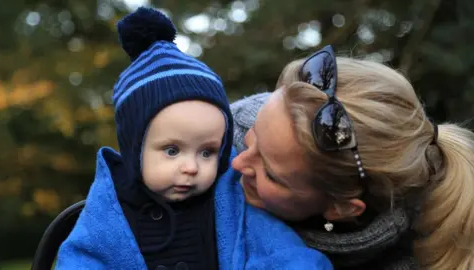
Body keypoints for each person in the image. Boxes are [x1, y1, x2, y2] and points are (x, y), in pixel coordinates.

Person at [55, 7, 333, 270]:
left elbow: (279, 251)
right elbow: (83, 259)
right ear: (134, 148)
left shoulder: (232, 196)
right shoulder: (109, 205)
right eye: (173, 151)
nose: (191, 167)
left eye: (207, 152)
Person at [230, 45, 474, 269]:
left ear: (341, 208)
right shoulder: (222, 126)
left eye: (271, 176)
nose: (237, 162)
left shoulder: (399, 260)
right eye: (254, 135)